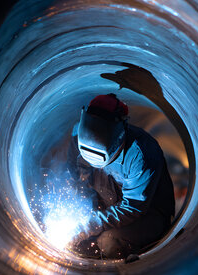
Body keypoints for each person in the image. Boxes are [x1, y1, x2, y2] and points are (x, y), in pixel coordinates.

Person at [68, 93, 175, 259]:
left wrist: (90, 225)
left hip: (146, 215)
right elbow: (77, 180)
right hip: (108, 208)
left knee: (108, 242)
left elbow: (133, 206)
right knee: (79, 238)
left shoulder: (142, 153)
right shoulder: (78, 136)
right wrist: (80, 216)